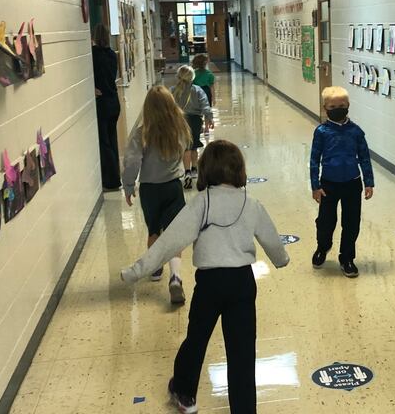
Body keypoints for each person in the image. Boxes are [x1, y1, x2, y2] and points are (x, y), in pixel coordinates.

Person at [120, 140, 289, 414]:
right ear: (239, 170)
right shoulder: (251, 203)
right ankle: (244, 409)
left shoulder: (201, 204)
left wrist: (135, 271)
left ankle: (184, 393)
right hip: (242, 283)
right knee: (242, 350)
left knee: (196, 340)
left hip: (210, 284)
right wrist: (281, 260)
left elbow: (169, 243)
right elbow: (271, 240)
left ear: (206, 169)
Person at [122, 86, 192, 304]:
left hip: (150, 188)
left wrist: (127, 185)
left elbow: (132, 160)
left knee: (154, 230)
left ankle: (155, 269)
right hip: (173, 186)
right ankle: (176, 277)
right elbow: (184, 151)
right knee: (174, 234)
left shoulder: (143, 130)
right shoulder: (180, 127)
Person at [310, 86, 374, 278]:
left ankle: (347, 258)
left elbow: (364, 157)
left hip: (352, 184)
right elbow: (314, 159)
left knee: (351, 223)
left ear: (348, 106)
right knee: (325, 222)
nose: (338, 108)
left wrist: (369, 182)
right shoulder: (321, 132)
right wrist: (315, 186)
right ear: (325, 108)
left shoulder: (356, 132)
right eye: (333, 106)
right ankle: (323, 246)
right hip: (328, 185)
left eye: (342, 105)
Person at [170, 65, 213, 190]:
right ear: (192, 77)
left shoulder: (172, 90)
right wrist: (209, 118)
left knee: (186, 147)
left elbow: (167, 107)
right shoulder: (197, 90)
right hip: (195, 120)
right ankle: (194, 169)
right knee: (194, 145)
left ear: (178, 77)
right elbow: (205, 105)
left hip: (180, 120)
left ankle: (187, 171)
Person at [91, 23, 122, 191]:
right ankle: (116, 174)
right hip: (114, 100)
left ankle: (111, 180)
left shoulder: (93, 55)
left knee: (104, 143)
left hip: (102, 102)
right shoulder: (112, 54)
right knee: (112, 139)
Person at [191, 53, 216, 133]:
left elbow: (190, 85)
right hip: (206, 92)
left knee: (196, 110)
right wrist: (213, 98)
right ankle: (206, 128)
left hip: (195, 92)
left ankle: (200, 126)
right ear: (205, 63)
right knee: (207, 109)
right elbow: (212, 87)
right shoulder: (210, 74)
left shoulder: (193, 74)